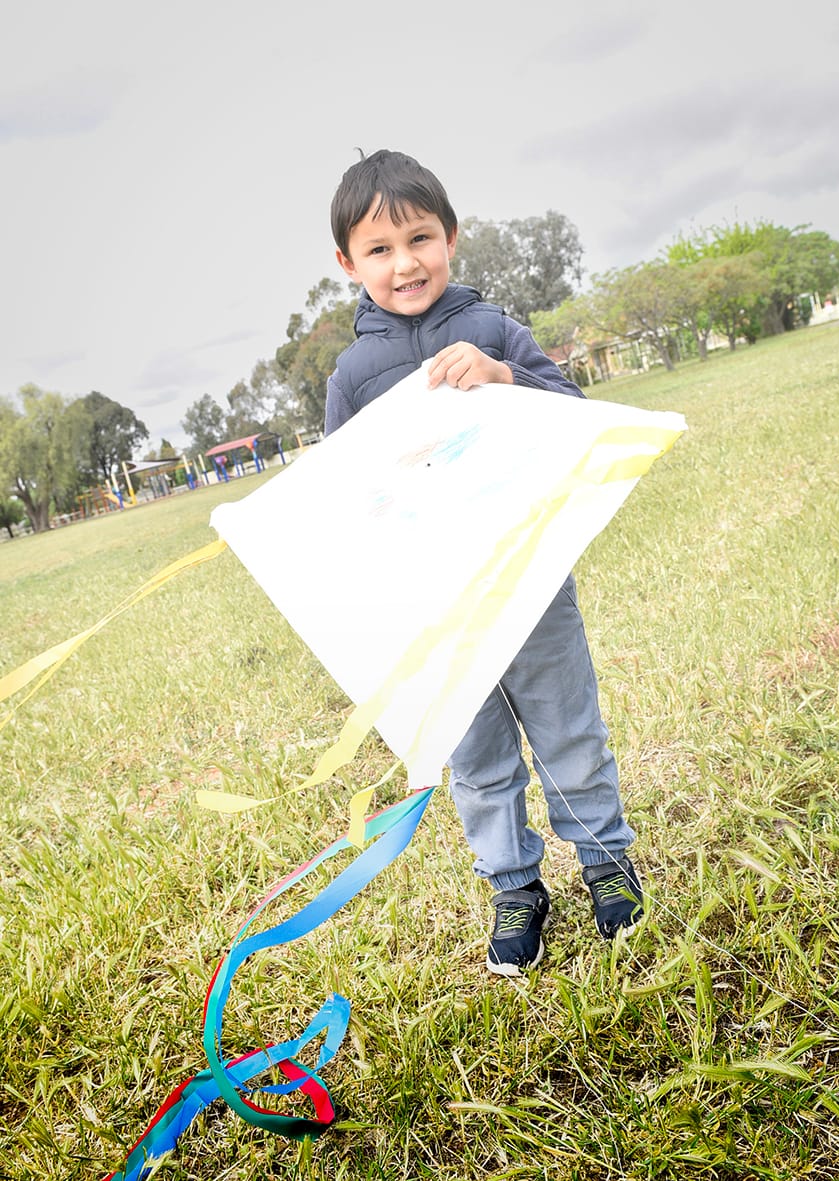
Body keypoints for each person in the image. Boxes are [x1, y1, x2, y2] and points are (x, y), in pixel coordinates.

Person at [325, 149, 643, 976]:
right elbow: (343, 493)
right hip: (437, 610)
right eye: (379, 249)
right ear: (347, 264)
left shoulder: (493, 329)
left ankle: (605, 864)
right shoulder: (352, 374)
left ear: (451, 237)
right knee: (475, 754)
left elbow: (576, 414)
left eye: (420, 238)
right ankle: (513, 886)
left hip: (529, 579)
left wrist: (503, 378)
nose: (405, 263)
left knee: (568, 728)